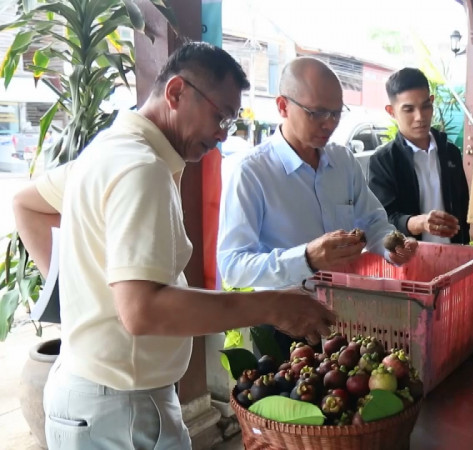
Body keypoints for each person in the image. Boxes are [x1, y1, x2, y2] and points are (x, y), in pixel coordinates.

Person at [12, 42, 336, 450]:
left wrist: (87, 294)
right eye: (219, 115)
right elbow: (143, 309)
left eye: (231, 121)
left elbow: (28, 204)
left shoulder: (110, 149)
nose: (222, 133)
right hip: (120, 406)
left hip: (89, 392)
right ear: (176, 92)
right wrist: (274, 306)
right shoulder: (141, 169)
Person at [216, 57, 418, 351]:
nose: (330, 123)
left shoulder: (343, 161)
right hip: (285, 326)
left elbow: (373, 222)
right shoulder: (251, 173)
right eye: (318, 113)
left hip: (346, 320)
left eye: (336, 113)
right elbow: (234, 266)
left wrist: (391, 245)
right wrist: (306, 258)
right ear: (283, 106)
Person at [368, 67, 473, 244]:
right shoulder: (383, 161)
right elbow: (381, 220)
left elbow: (463, 208)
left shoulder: (450, 153)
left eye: (425, 106)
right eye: (408, 110)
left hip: (453, 257)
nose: (420, 117)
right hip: (410, 261)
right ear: (391, 111)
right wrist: (417, 223)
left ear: (432, 101)